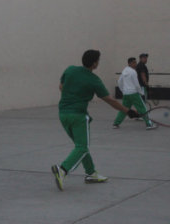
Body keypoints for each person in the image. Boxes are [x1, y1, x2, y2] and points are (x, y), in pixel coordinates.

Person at [51, 50, 139, 191]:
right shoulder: (94, 80)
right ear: (94, 63)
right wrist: (128, 111)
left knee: (80, 146)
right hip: (78, 117)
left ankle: (91, 173)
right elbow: (110, 100)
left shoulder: (70, 70)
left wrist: (72, 94)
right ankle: (62, 170)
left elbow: (61, 87)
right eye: (98, 60)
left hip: (63, 114)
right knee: (82, 147)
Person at [113, 57, 157, 130]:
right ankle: (149, 124)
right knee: (142, 108)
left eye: (135, 62)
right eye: (133, 62)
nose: (135, 64)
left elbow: (119, 82)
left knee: (124, 109)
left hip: (126, 94)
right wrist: (141, 92)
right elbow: (136, 84)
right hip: (133, 93)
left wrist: (123, 91)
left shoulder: (124, 71)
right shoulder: (133, 72)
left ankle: (116, 123)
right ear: (129, 63)